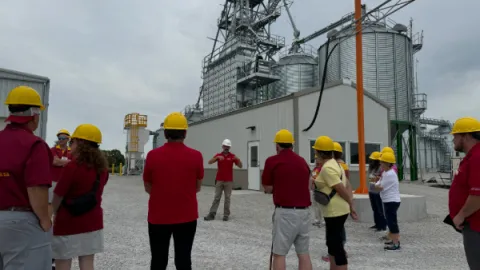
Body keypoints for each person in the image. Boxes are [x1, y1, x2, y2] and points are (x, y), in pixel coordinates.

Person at [0, 85, 53, 270]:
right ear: (34, 114)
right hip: (20, 222)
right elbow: (36, 188)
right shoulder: (34, 145)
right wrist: (45, 219)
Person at [143, 112, 204, 270]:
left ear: (165, 133)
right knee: (184, 260)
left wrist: (162, 194)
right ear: (185, 133)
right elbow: (197, 186)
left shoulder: (152, 156)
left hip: (158, 217)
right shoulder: (196, 156)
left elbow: (148, 186)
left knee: (158, 259)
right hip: (187, 217)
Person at [51, 124, 109, 270]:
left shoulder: (72, 167)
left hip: (67, 222)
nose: (71, 146)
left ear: (81, 144)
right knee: (87, 262)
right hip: (93, 221)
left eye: (73, 142)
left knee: (63, 262)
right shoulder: (102, 169)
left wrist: (49, 215)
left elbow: (58, 195)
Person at [262, 129, 312, 270]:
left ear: (277, 146)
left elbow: (267, 187)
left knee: (279, 254)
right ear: (292, 145)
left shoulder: (272, 161)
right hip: (304, 212)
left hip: (285, 213)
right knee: (303, 254)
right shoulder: (302, 161)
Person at [313, 135, 357, 270]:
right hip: (336, 210)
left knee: (336, 247)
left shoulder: (327, 168)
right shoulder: (335, 164)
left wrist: (351, 206)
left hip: (334, 211)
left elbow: (340, 188)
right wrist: (350, 204)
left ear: (319, 152)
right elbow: (348, 184)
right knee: (332, 244)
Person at [448, 117, 480, 269]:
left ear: (466, 136)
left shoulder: (477, 158)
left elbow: (478, 195)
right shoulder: (472, 157)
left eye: (455, 136)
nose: (453, 140)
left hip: (476, 226)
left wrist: (460, 216)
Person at [204, 139, 242, 222]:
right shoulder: (218, 155)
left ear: (230, 147)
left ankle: (226, 215)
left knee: (227, 198)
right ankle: (212, 214)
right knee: (217, 197)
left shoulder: (232, 156)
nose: (226, 148)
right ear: (222, 146)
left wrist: (237, 159)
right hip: (219, 180)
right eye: (225, 146)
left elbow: (240, 166)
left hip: (229, 181)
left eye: (228, 146)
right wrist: (216, 158)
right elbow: (209, 162)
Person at [374, 151, 401, 251]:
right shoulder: (385, 173)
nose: (380, 164)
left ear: (387, 163)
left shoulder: (390, 174)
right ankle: (393, 240)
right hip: (388, 200)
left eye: (382, 162)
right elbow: (378, 183)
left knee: (392, 222)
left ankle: (396, 243)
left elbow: (380, 187)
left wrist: (375, 185)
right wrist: (376, 184)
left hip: (392, 201)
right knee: (390, 222)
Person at [50, 129, 72, 216]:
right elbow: (54, 161)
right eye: (59, 138)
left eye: (63, 138)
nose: (61, 140)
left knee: (65, 204)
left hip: (67, 182)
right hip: (53, 181)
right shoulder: (52, 150)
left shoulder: (72, 151)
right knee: (51, 203)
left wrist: (60, 162)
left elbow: (74, 163)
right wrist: (67, 162)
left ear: (68, 139)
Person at [367, 151, 387, 232]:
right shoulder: (371, 168)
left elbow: (382, 178)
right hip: (371, 190)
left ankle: (382, 225)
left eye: (373, 160)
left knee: (379, 209)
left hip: (377, 192)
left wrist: (376, 178)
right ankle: (377, 224)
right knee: (374, 208)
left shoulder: (381, 168)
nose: (371, 162)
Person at [311, 155, 324, 228]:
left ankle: (322, 220)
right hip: (315, 189)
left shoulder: (322, 169)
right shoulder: (315, 169)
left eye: (317, 159)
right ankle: (317, 219)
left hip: (320, 189)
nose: (316, 161)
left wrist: (314, 180)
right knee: (315, 205)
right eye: (315, 159)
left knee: (320, 206)